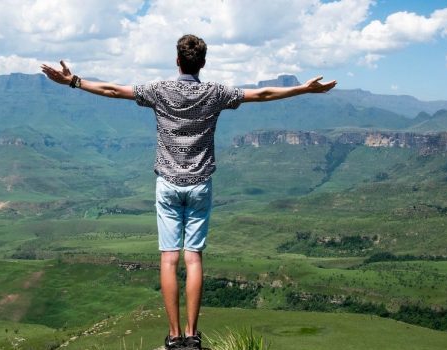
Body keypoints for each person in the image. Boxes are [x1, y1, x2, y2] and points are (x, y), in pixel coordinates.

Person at [41, 34, 336, 350]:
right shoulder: (215, 93)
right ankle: (193, 337)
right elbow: (262, 94)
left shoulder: (159, 90)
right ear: (203, 63)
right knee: (193, 258)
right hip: (200, 185)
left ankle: (173, 337)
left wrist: (73, 82)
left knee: (169, 259)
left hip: (167, 184)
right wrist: (303, 88)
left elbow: (113, 90)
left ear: (177, 60)